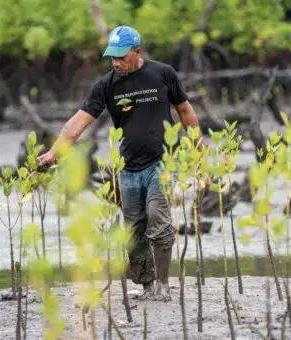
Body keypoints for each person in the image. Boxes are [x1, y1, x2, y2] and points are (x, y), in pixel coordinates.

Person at [38, 25, 202, 301]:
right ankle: (147, 286)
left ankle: (164, 285)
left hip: (162, 161)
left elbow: (185, 111)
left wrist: (200, 151)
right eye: (111, 56)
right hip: (127, 167)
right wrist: (54, 153)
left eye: (120, 56)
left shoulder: (163, 74)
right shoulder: (107, 85)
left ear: (137, 51)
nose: (115, 61)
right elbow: (78, 123)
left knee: (159, 220)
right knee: (133, 230)